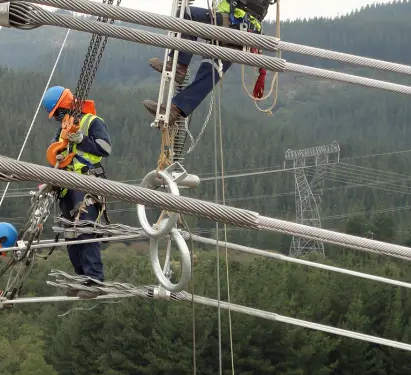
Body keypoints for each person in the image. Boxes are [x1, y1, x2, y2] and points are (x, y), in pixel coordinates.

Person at [142, 0, 272, 124]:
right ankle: (175, 109)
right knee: (210, 68)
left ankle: (179, 67)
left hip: (234, 23)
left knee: (186, 14)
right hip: (243, 29)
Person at [40, 85, 112, 299]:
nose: (59, 119)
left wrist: (81, 139)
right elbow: (56, 150)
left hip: (86, 184)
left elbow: (105, 149)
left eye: (59, 113)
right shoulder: (63, 127)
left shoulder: (92, 121)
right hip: (66, 187)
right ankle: (82, 278)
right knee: (70, 234)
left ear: (66, 106)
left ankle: (95, 279)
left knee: (84, 229)